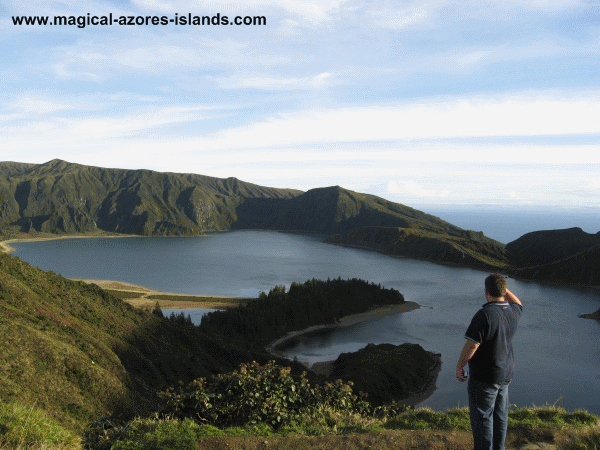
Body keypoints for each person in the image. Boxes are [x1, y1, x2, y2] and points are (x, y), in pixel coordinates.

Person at [456, 273, 523, 450]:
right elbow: (518, 302)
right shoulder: (513, 311)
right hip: (505, 374)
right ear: (503, 290)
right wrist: (504, 289)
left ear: (486, 292)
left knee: (482, 419)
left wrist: (459, 365)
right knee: (500, 417)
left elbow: (472, 346)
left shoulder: (484, 314)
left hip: (485, 378)